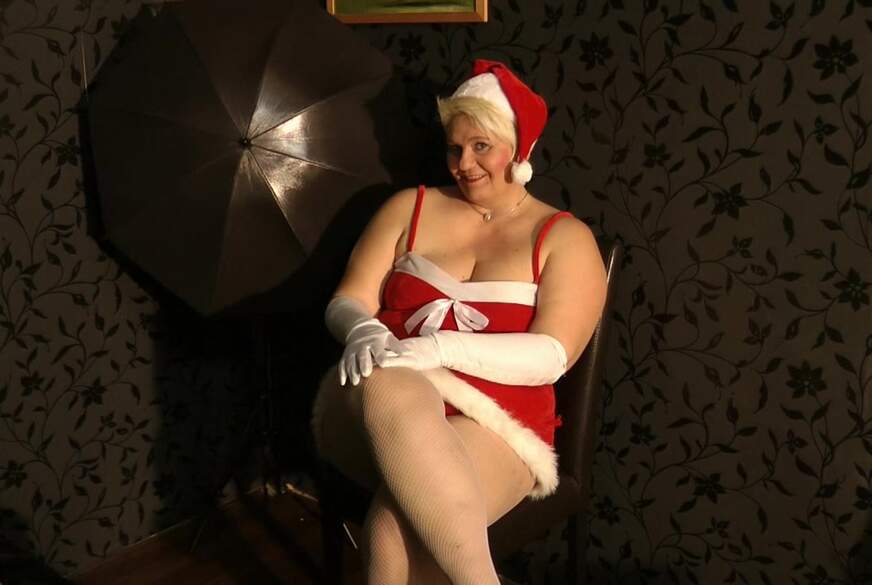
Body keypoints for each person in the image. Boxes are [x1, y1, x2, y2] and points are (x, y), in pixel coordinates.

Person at [311, 59, 607, 585]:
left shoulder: (565, 238)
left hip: (498, 423)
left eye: (480, 146)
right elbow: (347, 299)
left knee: (392, 532)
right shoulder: (409, 207)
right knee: (387, 378)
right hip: (374, 409)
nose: (463, 164)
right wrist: (362, 328)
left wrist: (442, 348)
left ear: (519, 147)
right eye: (454, 148)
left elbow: (552, 356)